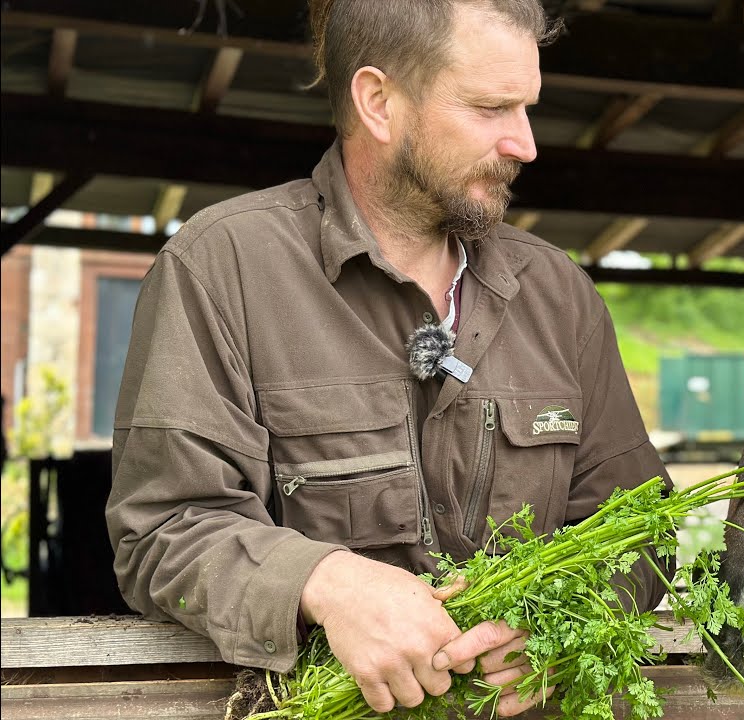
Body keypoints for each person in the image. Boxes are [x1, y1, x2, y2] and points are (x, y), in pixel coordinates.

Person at [105, 1, 671, 716]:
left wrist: (563, 621)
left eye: (526, 107)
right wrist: (327, 582)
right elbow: (161, 531)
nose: (525, 143)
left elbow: (640, 528)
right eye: (492, 107)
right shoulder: (222, 269)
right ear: (377, 101)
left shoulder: (559, 295)